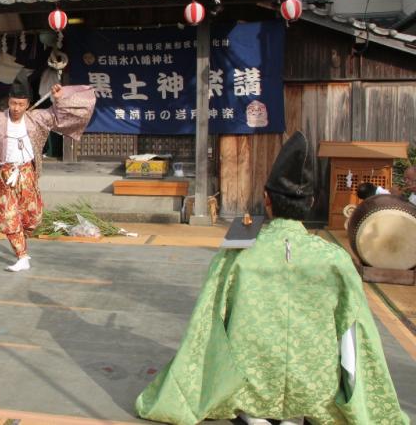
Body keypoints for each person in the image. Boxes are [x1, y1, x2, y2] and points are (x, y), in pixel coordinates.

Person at [135, 131, 408, 425]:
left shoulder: (238, 256)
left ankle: (254, 412)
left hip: (248, 385)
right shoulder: (335, 260)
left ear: (266, 199)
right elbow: (356, 333)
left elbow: (207, 322)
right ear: (312, 201)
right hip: (314, 388)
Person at [0, 70, 95, 272]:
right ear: (8, 101)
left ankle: (22, 240)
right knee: (7, 216)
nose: (16, 108)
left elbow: (60, 117)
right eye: (13, 103)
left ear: (28, 104)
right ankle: (22, 256)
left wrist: (58, 99)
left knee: (33, 217)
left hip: (26, 174)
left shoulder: (37, 118)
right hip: (3, 175)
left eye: (21, 104)